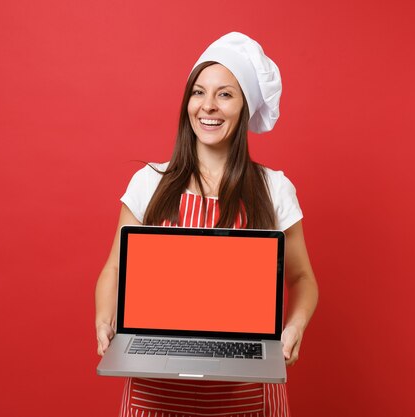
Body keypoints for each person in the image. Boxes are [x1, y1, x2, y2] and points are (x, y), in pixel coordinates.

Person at [95, 32, 318, 417]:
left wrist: (294, 327)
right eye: (198, 92)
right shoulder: (149, 182)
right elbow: (115, 267)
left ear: (244, 106)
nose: (208, 106)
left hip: (247, 395)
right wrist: (103, 317)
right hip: (155, 395)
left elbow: (302, 279)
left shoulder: (274, 188)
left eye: (225, 94)